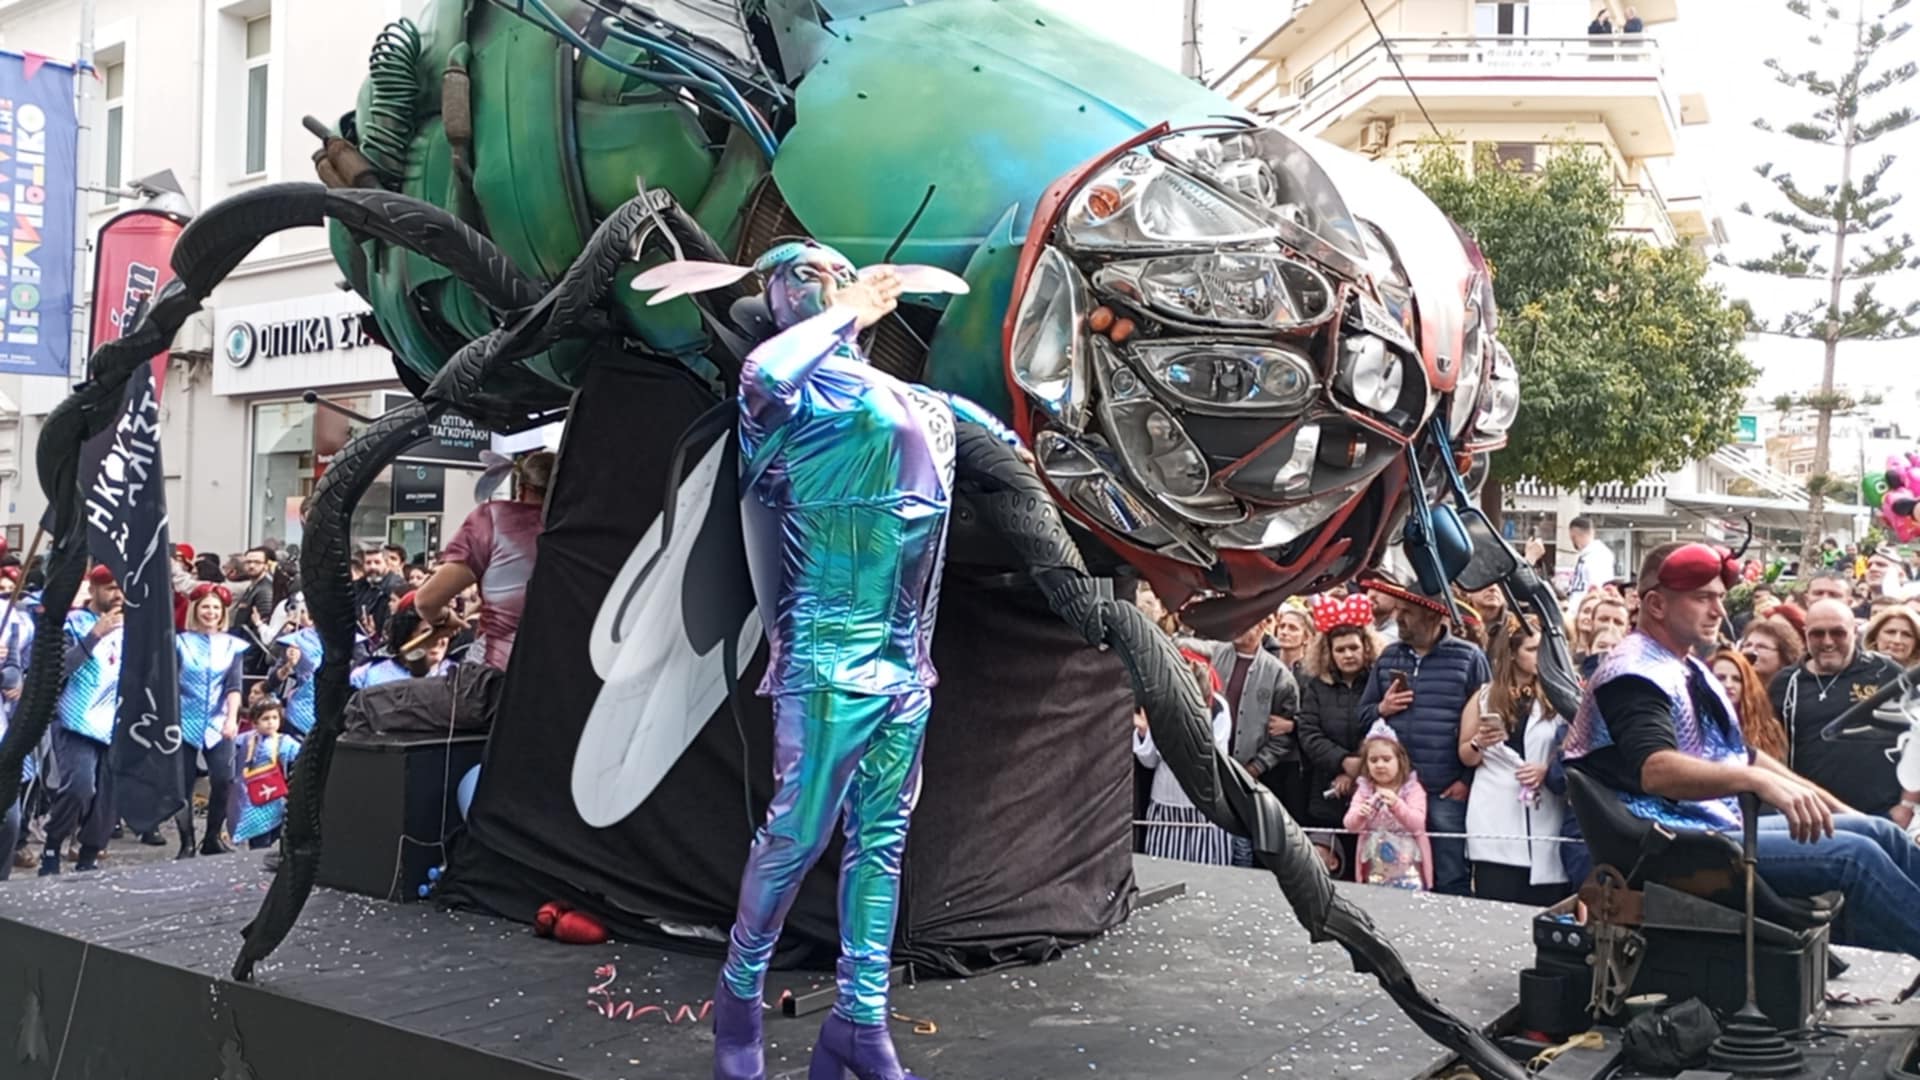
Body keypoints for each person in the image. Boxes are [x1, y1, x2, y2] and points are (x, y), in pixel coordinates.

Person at [1563, 540, 1920, 963]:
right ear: (1656, 605)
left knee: (1879, 832)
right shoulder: (1634, 673)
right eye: (1703, 598)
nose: (1718, 610)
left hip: (1707, 828)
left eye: (1719, 597)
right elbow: (1655, 770)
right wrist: (1757, 781)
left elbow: (1740, 754)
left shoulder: (1684, 666)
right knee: (1855, 857)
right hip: (1668, 845)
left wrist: (1842, 811)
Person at [1356, 575, 1492, 896]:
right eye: (1398, 610)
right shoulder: (1388, 657)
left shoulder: (1469, 658)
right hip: (1394, 791)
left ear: (1433, 616)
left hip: (1445, 790)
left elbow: (1487, 724)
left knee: (1451, 875)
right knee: (1391, 877)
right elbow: (1361, 717)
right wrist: (1382, 708)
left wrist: (1466, 781)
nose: (1398, 617)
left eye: (1407, 612)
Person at [1459, 618, 1570, 906]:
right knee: (1496, 900)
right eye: (1532, 650)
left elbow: (1573, 747)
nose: (1539, 657)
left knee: (1544, 903)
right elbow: (1466, 755)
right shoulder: (1484, 696)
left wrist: (1547, 769)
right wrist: (1479, 742)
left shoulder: (1559, 697)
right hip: (1496, 814)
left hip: (1544, 809)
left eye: (1543, 650)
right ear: (1511, 653)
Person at [413, 450, 554, 671]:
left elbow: (426, 601)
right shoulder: (592, 530)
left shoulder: (495, 519)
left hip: (500, 670)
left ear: (522, 489)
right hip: (575, 672)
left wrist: (445, 618)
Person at [1772, 598, 1907, 821]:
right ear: (1805, 634)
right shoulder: (1786, 683)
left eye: (1838, 633)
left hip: (1881, 814)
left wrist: (1907, 805)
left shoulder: (1885, 672)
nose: (1828, 642)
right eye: (1818, 634)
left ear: (1854, 632)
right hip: (1814, 818)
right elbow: (1770, 752)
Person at [1186, 618, 1301, 860]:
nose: (1238, 627)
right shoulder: (1213, 654)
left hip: (1246, 774)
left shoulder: (1279, 675)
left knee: (1241, 843)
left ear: (1263, 626)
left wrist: (1256, 767)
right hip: (1204, 767)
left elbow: (1283, 736)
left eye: (1247, 622)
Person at [39, 566, 125, 876]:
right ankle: (53, 844)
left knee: (107, 795)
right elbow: (58, 669)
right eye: (110, 588)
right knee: (79, 786)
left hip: (115, 721)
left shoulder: (133, 628)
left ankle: (89, 852)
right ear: (93, 590)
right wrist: (94, 636)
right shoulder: (72, 623)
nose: (117, 594)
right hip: (76, 718)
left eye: (120, 588)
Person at [1298, 593, 1384, 877]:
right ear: (1329, 653)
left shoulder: (1378, 683)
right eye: (1340, 650)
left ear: (1366, 647)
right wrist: (1342, 762)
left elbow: (1383, 728)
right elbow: (1309, 733)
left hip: (1374, 793)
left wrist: (1359, 768)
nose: (1348, 655)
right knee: (1329, 870)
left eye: (1353, 648)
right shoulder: (1316, 687)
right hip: (1326, 794)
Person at [1135, 653, 1237, 866]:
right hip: (1166, 801)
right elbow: (1149, 761)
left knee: (1207, 868)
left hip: (1205, 805)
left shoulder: (1217, 707)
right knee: (1163, 867)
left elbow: (1207, 756)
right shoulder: (1158, 703)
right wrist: (1144, 732)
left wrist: (1170, 737)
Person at [174, 583, 248, 859]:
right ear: (195, 609)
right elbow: (169, 684)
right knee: (182, 785)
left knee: (224, 778)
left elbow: (234, 686)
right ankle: (186, 841)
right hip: (183, 720)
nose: (211, 612)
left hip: (217, 721)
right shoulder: (179, 642)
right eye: (205, 606)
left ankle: (212, 836)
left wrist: (231, 719)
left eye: (216, 607)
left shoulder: (232, 645)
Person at [1343, 722, 1431, 890]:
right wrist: (1360, 815)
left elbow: (1418, 824)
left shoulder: (1412, 788)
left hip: (1409, 862)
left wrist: (1397, 805)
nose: (1380, 765)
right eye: (1373, 760)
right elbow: (1349, 825)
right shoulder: (1364, 790)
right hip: (1374, 864)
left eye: (1386, 759)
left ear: (1400, 760)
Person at [230, 697, 300, 850]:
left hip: (276, 796)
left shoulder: (285, 741)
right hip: (252, 797)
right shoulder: (246, 739)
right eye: (265, 718)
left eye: (275, 717)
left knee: (278, 832)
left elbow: (300, 754)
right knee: (259, 839)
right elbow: (231, 747)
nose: (270, 722)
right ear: (255, 722)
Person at [349, 597, 455, 689]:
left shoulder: (457, 676)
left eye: (444, 632)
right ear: (406, 635)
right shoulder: (367, 675)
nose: (439, 640)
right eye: (427, 633)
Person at [1710, 648, 1789, 762]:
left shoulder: (1769, 729)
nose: (1728, 684)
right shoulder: (1696, 722)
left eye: (1736, 679)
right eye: (1721, 678)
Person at [1738, 615, 1804, 685]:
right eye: (1748, 645)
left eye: (1762, 647)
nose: (1750, 651)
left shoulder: (1794, 688)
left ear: (1784, 656)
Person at [1566, 516, 1615, 609]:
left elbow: (1598, 588)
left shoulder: (1599, 555)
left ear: (1574, 535)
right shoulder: (1587, 555)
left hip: (1588, 609)